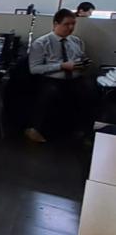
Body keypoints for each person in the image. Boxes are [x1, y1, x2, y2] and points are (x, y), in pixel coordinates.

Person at [26, 9, 97, 143]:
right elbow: (34, 69)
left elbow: (81, 58)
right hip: (52, 78)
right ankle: (34, 128)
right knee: (49, 91)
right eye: (66, 24)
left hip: (75, 77)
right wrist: (61, 66)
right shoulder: (41, 43)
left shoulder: (76, 41)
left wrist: (83, 65)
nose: (70, 28)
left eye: (73, 24)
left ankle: (84, 131)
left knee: (91, 90)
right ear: (55, 24)